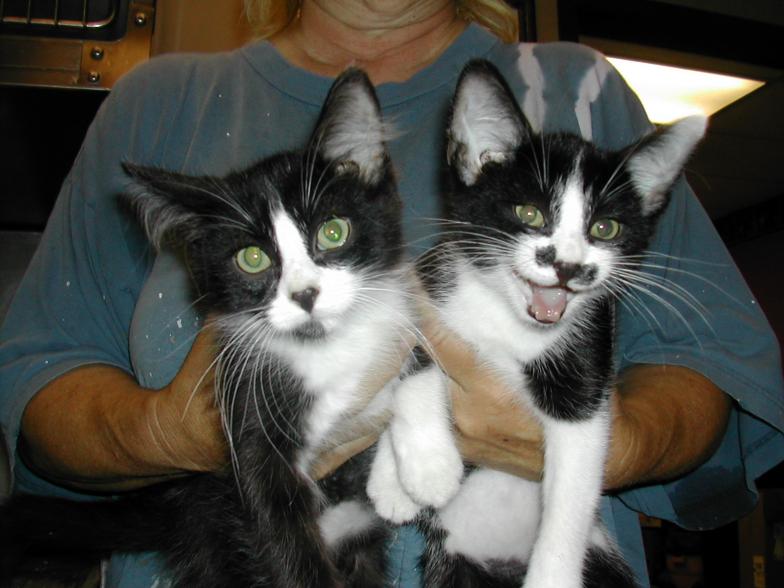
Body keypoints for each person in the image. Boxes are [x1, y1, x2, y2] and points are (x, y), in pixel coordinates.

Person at [0, 1, 782, 586]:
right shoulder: (157, 100)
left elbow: (709, 366)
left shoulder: (580, 92)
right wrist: (181, 433)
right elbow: (38, 391)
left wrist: (570, 441)